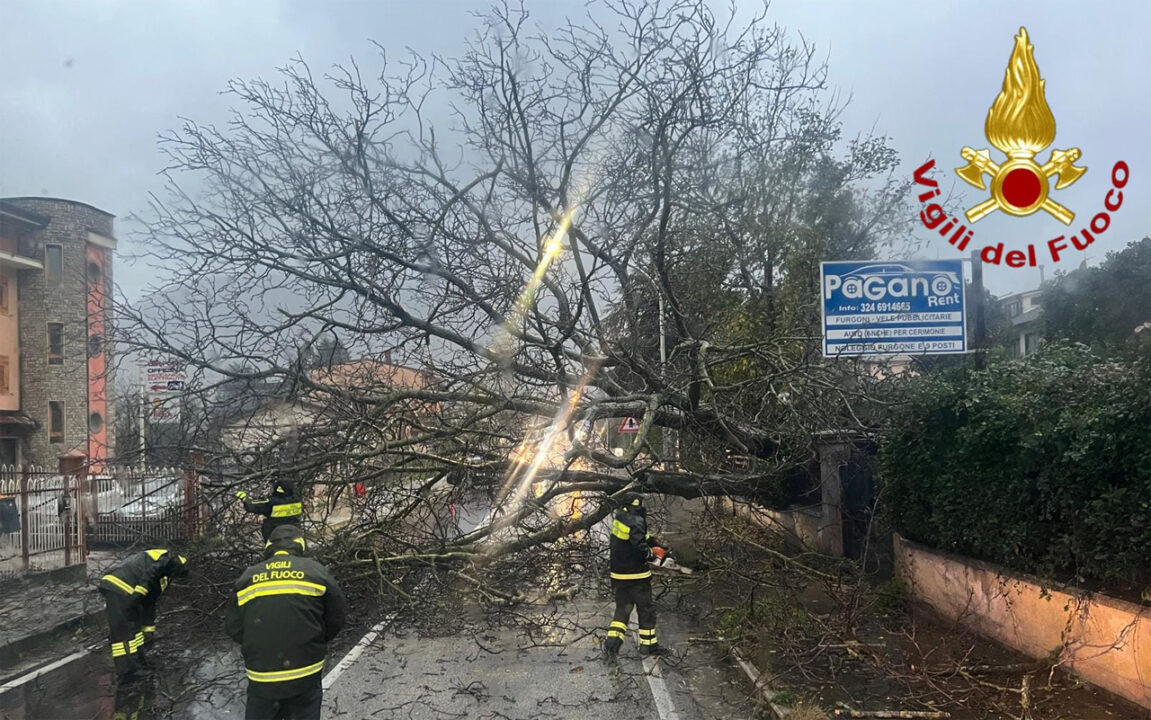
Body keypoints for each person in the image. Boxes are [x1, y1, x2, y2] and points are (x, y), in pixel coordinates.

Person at [225, 524, 347, 720]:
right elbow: (336, 616)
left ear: (268, 547)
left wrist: (261, 643)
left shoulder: (247, 577)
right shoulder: (317, 572)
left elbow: (233, 627)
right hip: (305, 672)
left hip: (261, 676)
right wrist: (314, 639)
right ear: (300, 545)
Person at [98, 548, 189, 681]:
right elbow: (150, 574)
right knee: (124, 632)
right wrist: (140, 592)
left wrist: (148, 629)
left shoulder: (162, 576)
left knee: (136, 630)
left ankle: (139, 663)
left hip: (127, 589)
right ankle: (128, 672)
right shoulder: (169, 559)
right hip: (120, 587)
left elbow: (149, 604)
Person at [603, 491, 669, 659]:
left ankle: (612, 645)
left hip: (619, 576)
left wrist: (654, 543)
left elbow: (640, 537)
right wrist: (653, 555)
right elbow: (639, 547)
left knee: (622, 611)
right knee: (646, 610)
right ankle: (648, 646)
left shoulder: (620, 518)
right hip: (636, 577)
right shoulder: (637, 520)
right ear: (637, 505)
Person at [236, 481, 304, 541]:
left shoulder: (272, 503)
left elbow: (252, 506)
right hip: (295, 536)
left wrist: (245, 498)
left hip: (275, 538)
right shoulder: (297, 501)